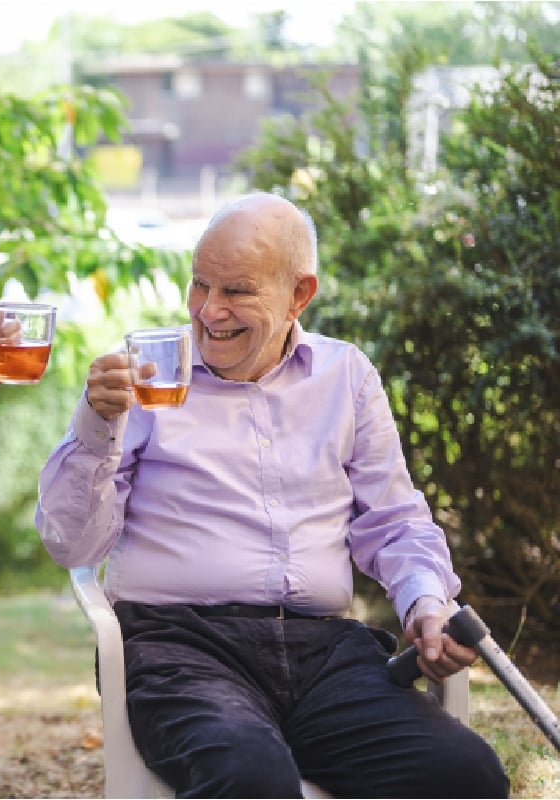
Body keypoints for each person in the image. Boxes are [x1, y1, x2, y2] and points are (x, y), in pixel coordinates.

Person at [35, 192, 509, 797]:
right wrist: (96, 425)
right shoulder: (146, 376)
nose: (209, 311)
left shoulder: (346, 377)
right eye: (199, 285)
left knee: (464, 773)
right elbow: (71, 543)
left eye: (236, 291)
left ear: (299, 295)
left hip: (325, 654)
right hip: (180, 649)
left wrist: (426, 605)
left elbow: (395, 522)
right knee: (250, 775)